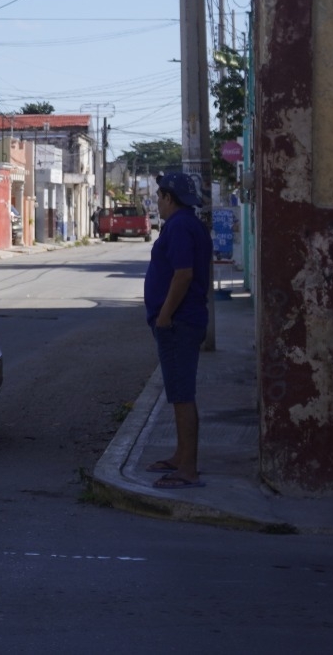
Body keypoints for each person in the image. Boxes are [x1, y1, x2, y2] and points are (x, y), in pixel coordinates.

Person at [143, 172, 212, 490]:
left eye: (159, 195)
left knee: (182, 394)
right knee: (177, 392)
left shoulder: (182, 226)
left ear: (170, 198)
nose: (157, 201)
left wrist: (165, 316)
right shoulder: (185, 224)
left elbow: (183, 275)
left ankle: (188, 469)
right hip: (182, 320)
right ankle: (180, 456)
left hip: (179, 322)